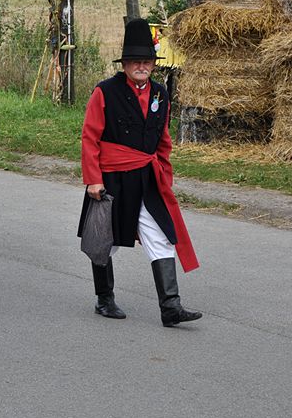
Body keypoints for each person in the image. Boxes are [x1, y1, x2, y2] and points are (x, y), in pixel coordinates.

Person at [78, 18, 202, 327]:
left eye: (146, 61)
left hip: (147, 177)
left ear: (153, 65)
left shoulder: (160, 94)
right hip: (112, 178)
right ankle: (104, 299)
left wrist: (165, 176)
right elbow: (90, 137)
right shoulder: (104, 92)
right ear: (125, 64)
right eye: (135, 61)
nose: (141, 66)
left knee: (160, 236)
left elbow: (163, 141)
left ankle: (171, 306)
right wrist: (93, 179)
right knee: (106, 241)